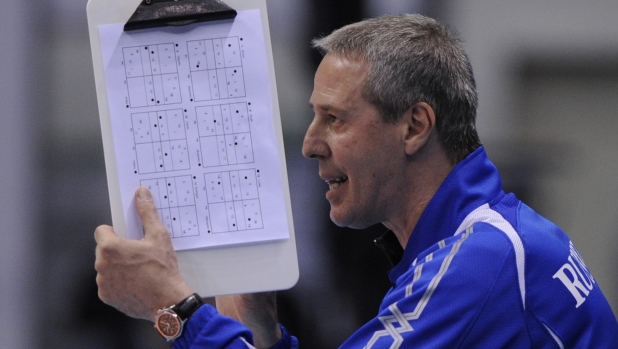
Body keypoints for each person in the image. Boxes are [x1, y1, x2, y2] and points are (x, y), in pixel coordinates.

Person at [94, 14, 618, 348]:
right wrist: (266, 335)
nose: (309, 143)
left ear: (414, 126)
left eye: (336, 119)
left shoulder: (481, 262)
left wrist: (171, 309)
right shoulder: (483, 244)